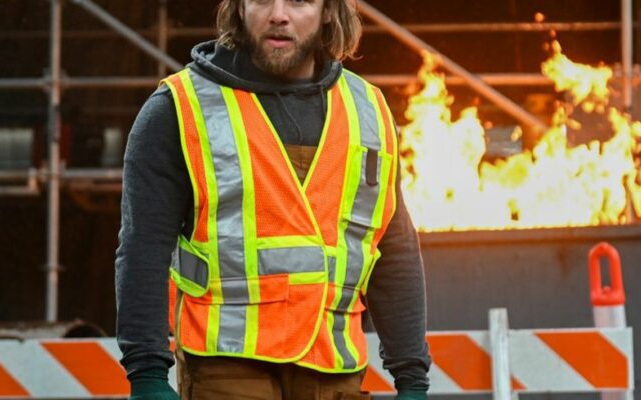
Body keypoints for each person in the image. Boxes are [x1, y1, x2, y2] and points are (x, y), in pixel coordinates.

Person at [115, 0, 431, 398]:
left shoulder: (368, 110)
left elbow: (394, 248)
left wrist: (412, 377)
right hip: (226, 369)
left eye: (299, 0)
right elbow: (143, 249)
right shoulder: (178, 109)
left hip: (332, 370)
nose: (278, 14)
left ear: (330, 11)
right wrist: (146, 373)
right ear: (240, 8)